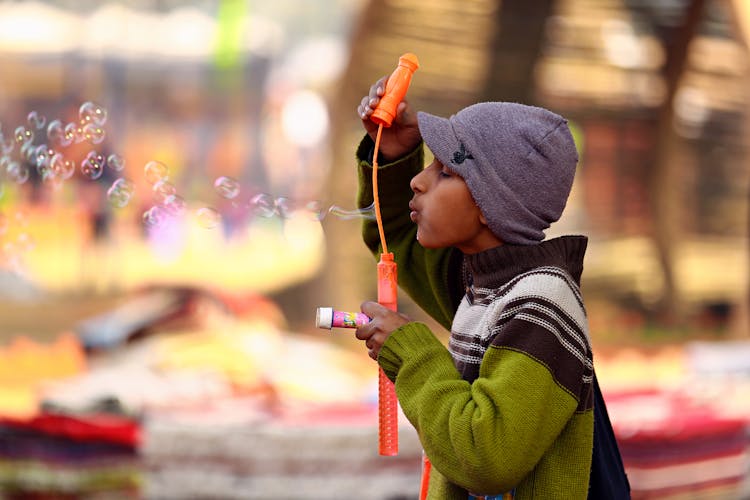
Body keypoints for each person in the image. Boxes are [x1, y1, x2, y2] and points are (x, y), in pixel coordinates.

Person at [352, 76, 630, 499]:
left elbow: (484, 457)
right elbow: (398, 240)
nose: (419, 181)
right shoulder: (485, 285)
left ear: (489, 204)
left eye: (444, 171)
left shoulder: (539, 306)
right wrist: (395, 152)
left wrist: (412, 354)